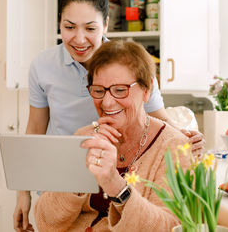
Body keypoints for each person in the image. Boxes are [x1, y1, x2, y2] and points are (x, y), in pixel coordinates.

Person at [13, 0, 205, 232]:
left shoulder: (130, 65)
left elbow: (158, 122)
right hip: (67, 178)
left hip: (120, 175)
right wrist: (22, 191)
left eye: (90, 28)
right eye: (69, 27)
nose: (79, 39)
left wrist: (185, 141)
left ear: (105, 25)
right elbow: (35, 130)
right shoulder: (43, 66)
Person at [34, 40, 192, 231]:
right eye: (99, 91)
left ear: (146, 90)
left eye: (120, 90)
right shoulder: (84, 139)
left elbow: (171, 227)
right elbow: (45, 221)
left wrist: (117, 187)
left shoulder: (173, 148)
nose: (107, 103)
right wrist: (77, 168)